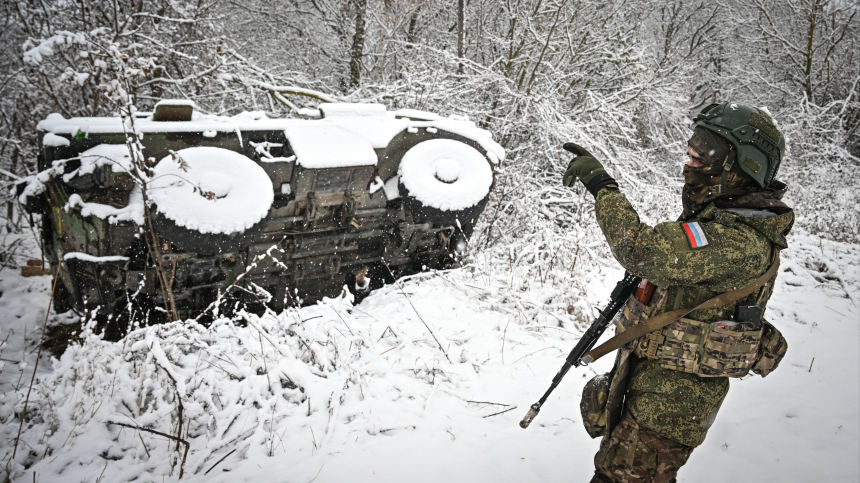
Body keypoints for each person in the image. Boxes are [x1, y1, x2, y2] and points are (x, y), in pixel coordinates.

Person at [562, 102, 793, 483]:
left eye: (701, 156)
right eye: (691, 151)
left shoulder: (738, 240)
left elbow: (641, 249)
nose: (689, 163)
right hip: (654, 390)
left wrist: (603, 187)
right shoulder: (724, 222)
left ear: (741, 167)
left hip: (670, 408)